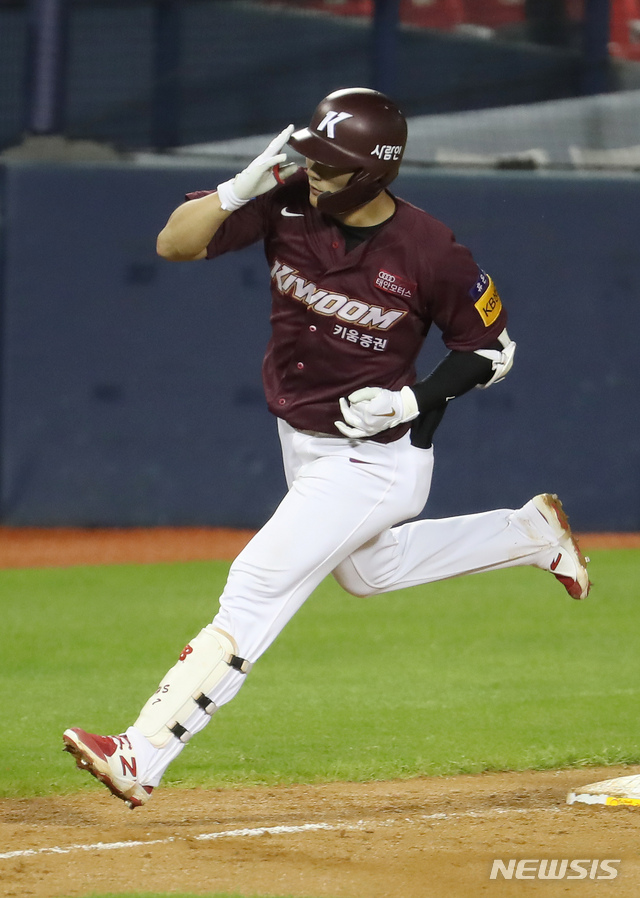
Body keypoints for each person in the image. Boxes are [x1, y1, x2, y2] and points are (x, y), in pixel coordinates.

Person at [63, 88, 590, 808]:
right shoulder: (283, 201)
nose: (313, 171)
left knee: (256, 585)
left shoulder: (429, 249)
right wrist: (232, 190)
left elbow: (491, 347)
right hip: (303, 442)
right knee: (369, 573)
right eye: (311, 155)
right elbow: (172, 244)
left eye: (331, 164)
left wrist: (414, 401)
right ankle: (529, 533)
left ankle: (142, 751)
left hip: (374, 460)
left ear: (373, 174)